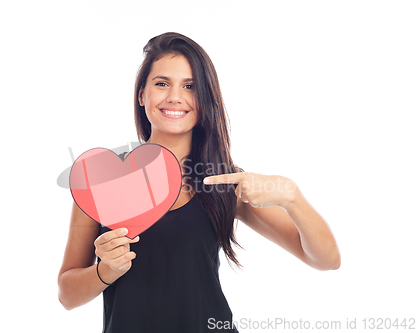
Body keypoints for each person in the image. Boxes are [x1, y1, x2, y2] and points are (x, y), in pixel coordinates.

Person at [57, 32, 341, 333]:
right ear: (142, 95)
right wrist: (105, 271)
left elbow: (326, 260)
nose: (175, 97)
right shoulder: (101, 179)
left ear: (205, 98)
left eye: (190, 87)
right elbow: (67, 295)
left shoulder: (225, 180)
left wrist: (291, 196)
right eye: (162, 83)